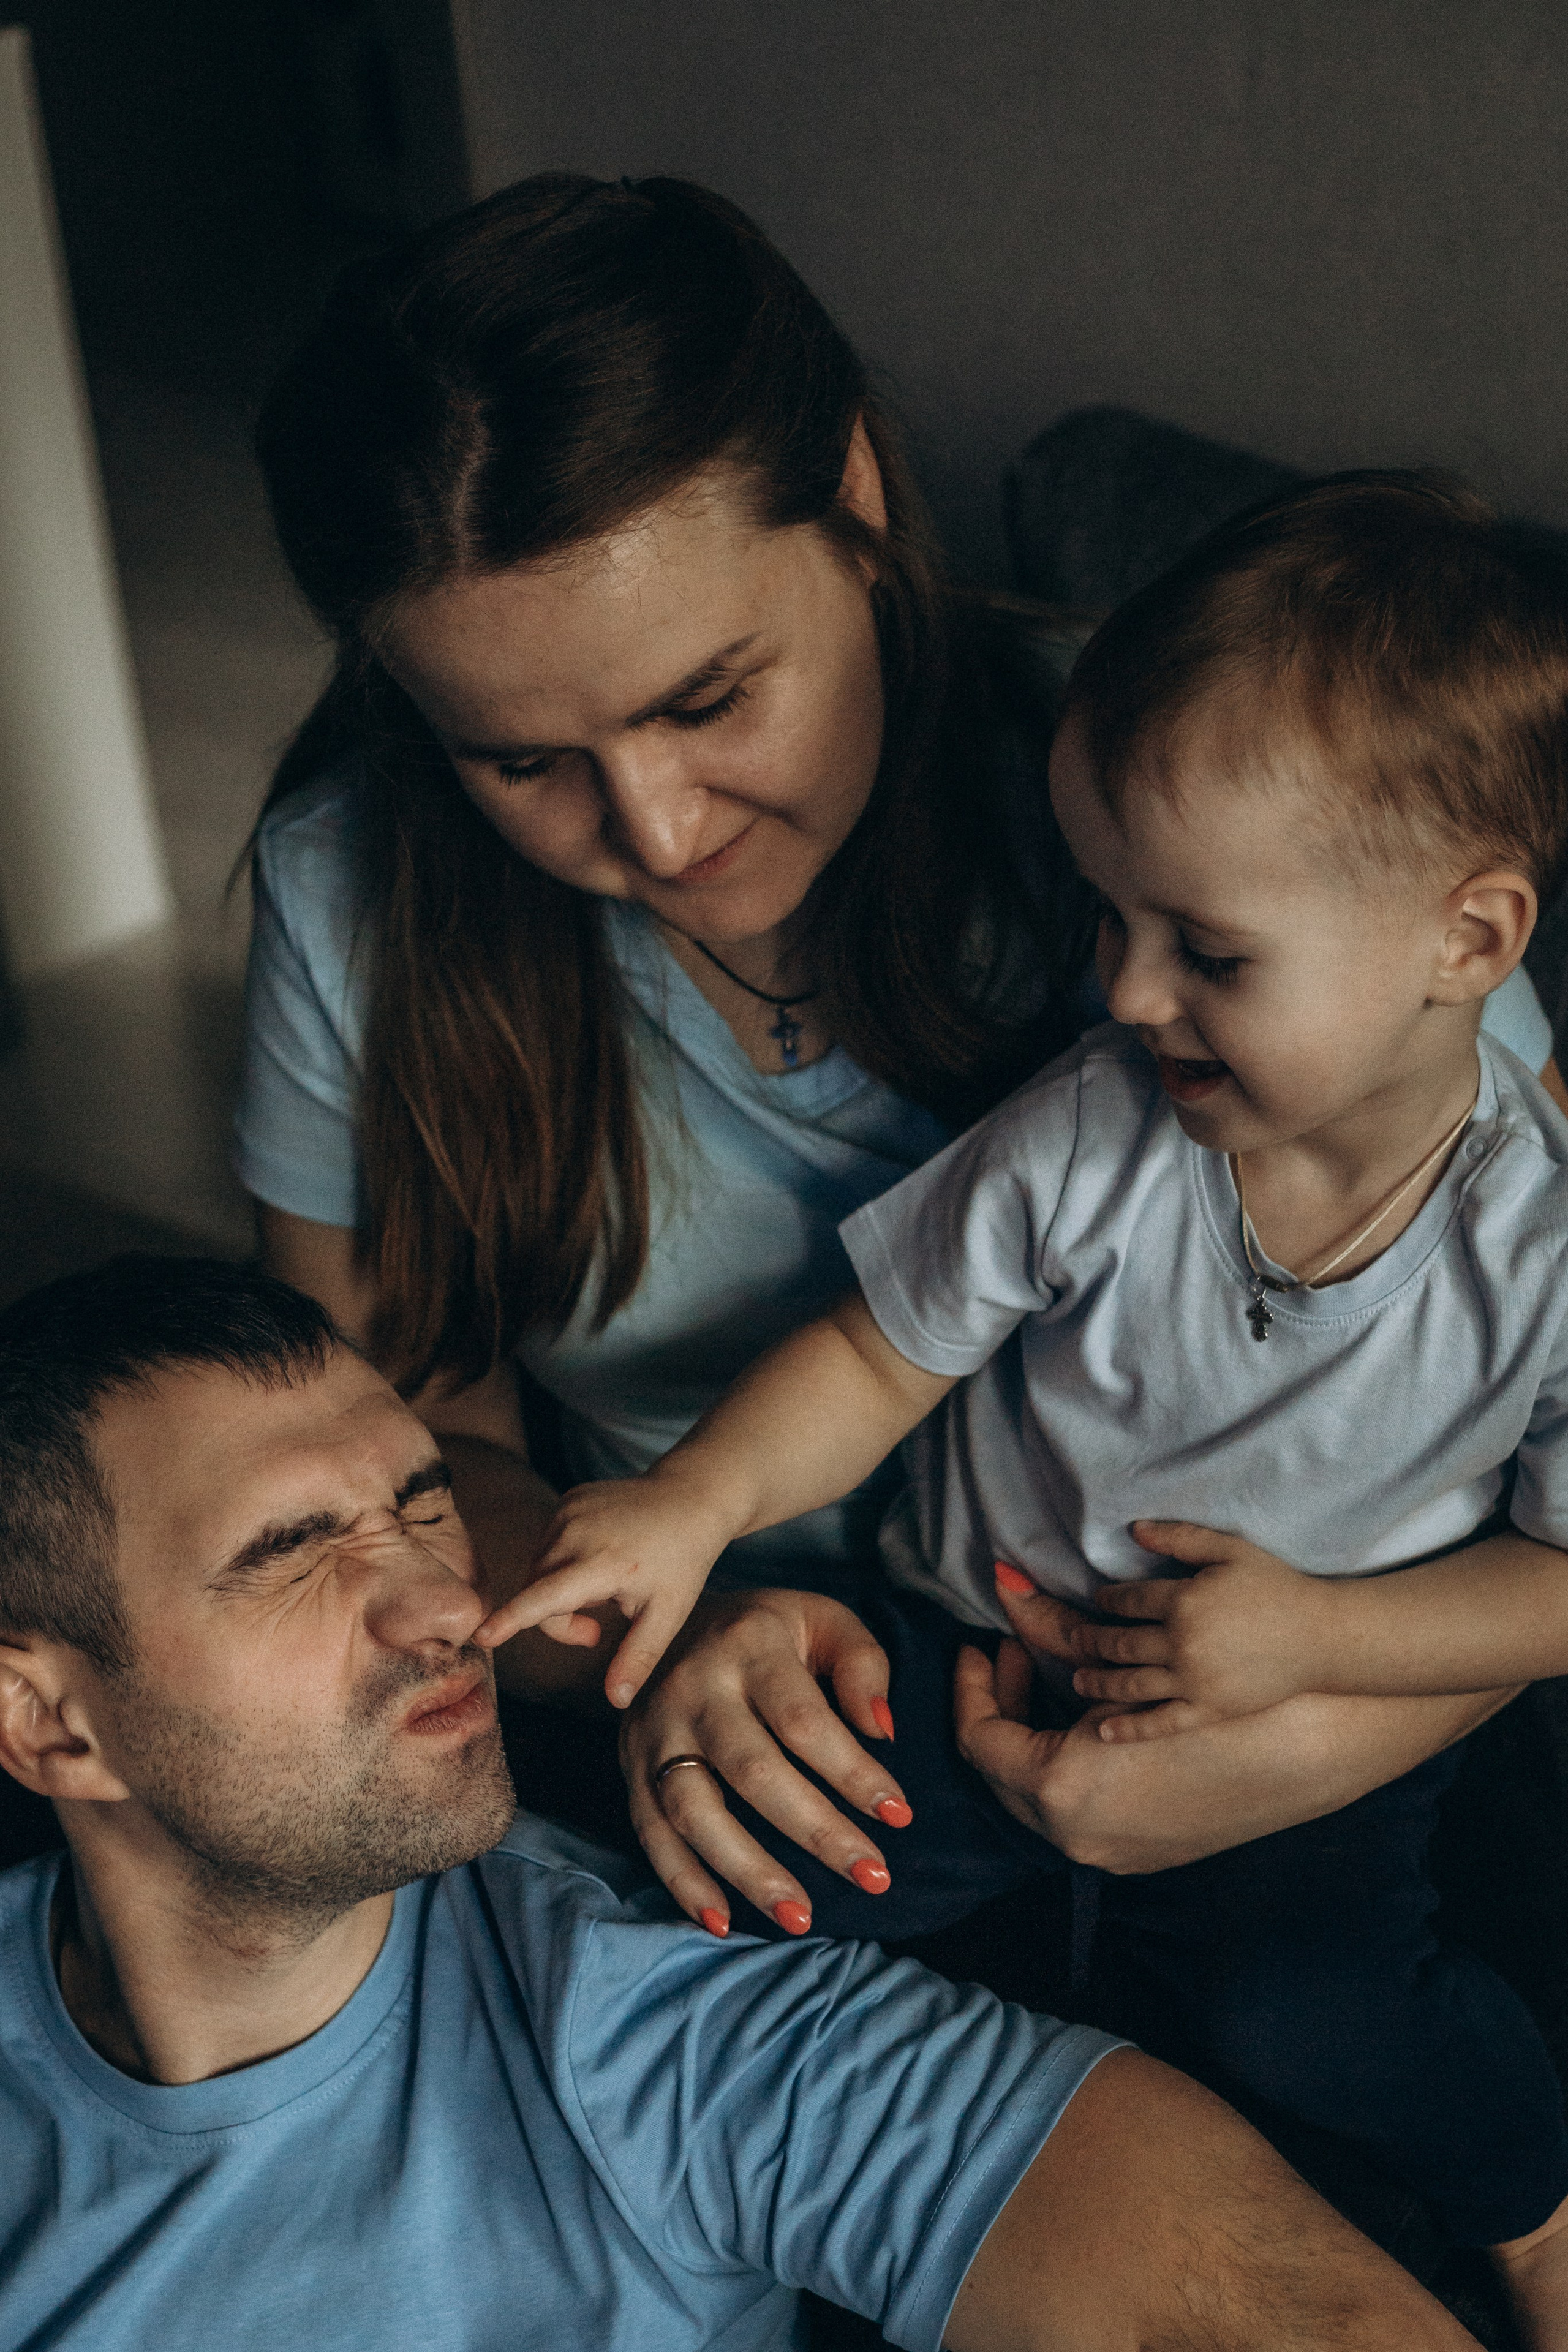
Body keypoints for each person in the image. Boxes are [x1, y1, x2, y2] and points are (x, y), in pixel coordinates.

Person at [240, 168, 1558, 1942]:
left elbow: (1506, 1387)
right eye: (522, 762)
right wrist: (658, 1633)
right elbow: (396, 1457)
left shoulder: (1199, 794)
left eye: (707, 699)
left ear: (854, 494)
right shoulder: (356, 896)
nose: (657, 830)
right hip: (735, 1697)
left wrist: (1309, 1746)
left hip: (1270, 1689)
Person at [478, 475, 1568, 2345]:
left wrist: (1318, 1642)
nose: (1126, 990)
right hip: (968, 1639)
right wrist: (696, 1503)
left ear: (1466, 943)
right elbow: (874, 1354)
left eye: (1206, 951)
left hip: (1309, 1712)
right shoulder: (1096, 1126)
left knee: (1310, 2021)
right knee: (743, 1870)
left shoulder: (1539, 1256)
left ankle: (1541, 2221)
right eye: (1110, 918)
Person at [0, 1256, 1478, 2352]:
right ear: (47, 1722)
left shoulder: (657, 2025)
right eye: (292, 1551)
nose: (446, 1601)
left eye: (424, 1501)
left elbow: (1273, 2307)